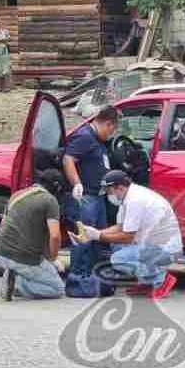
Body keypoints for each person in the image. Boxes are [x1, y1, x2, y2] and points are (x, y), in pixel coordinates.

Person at [74, 170, 183, 300]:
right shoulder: (128, 197)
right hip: (152, 245)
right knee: (115, 246)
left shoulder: (135, 200)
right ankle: (146, 283)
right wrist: (93, 232)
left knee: (119, 260)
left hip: (166, 250)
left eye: (109, 191)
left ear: (119, 188)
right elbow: (120, 226)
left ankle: (160, 279)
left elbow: (127, 237)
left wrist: (98, 236)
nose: (109, 196)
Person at [0, 169, 67, 301]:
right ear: (56, 187)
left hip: (1, 253)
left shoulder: (17, 195)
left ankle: (14, 272)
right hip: (24, 258)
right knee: (57, 289)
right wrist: (53, 259)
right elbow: (55, 236)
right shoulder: (50, 200)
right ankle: (17, 284)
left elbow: (2, 225)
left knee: (45, 270)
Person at [62, 105, 118, 273]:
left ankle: (93, 276)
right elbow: (68, 159)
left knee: (98, 239)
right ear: (107, 124)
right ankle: (78, 277)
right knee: (83, 240)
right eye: (111, 130)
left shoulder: (97, 140)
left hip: (98, 197)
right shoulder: (85, 136)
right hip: (86, 198)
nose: (111, 134)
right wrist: (77, 184)